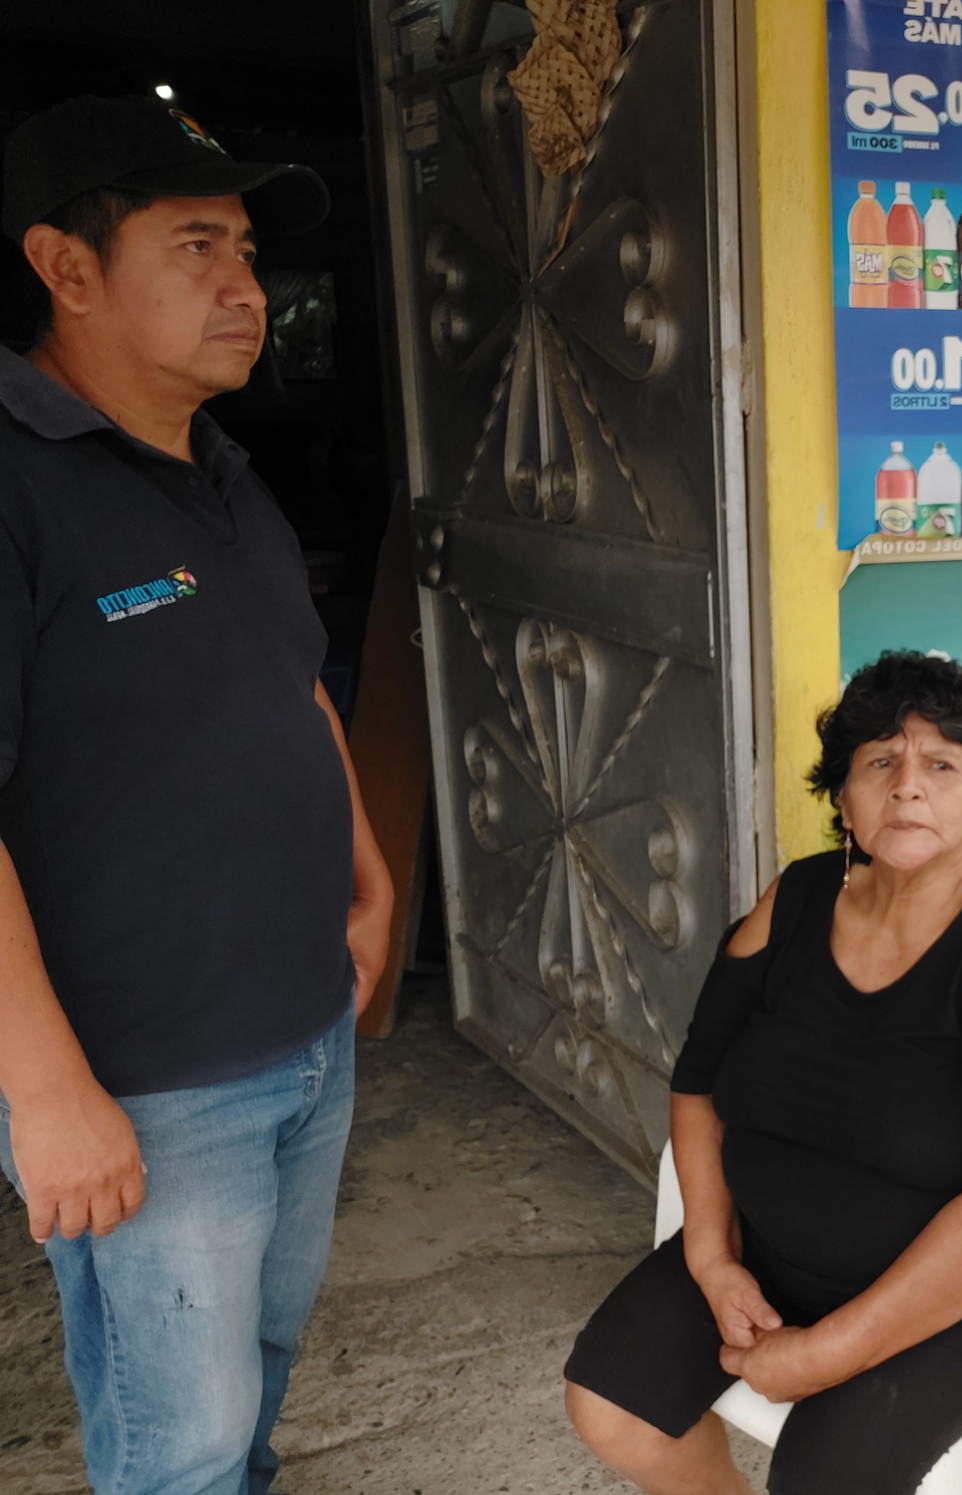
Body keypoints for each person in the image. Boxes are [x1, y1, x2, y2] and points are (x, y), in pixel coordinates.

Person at [0, 97, 394, 1494]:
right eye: (197, 246)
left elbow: (295, 688)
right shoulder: (16, 485)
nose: (247, 288)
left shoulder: (220, 469)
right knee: (183, 1436)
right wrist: (45, 1091)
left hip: (303, 1029)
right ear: (67, 266)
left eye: (247, 251)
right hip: (148, 1077)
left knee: (259, 1370)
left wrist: (370, 881)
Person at [565, 650, 962, 1495]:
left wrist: (825, 1353)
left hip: (952, 1292)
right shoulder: (796, 900)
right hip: (766, 1248)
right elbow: (698, 1082)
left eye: (940, 765)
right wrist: (711, 1256)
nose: (907, 787)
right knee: (609, 1408)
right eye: (879, 762)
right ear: (844, 798)